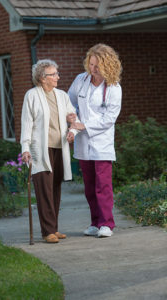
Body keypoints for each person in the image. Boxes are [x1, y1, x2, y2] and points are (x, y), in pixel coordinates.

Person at [67, 43, 122, 238]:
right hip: (83, 143)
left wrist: (85, 126)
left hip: (102, 143)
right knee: (90, 187)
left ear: (107, 65)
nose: (93, 69)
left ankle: (107, 223)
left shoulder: (113, 87)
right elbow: (70, 102)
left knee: (103, 186)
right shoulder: (81, 80)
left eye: (97, 66)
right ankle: (95, 223)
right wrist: (73, 120)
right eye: (91, 64)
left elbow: (109, 119)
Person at [20, 59, 78, 243]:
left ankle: (54, 228)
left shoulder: (62, 95)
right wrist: (25, 148)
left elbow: (73, 117)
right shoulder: (32, 95)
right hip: (40, 150)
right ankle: (47, 231)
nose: (57, 77)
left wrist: (72, 130)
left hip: (60, 148)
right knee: (44, 189)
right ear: (42, 78)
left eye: (56, 73)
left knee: (55, 188)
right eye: (53, 74)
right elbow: (26, 124)